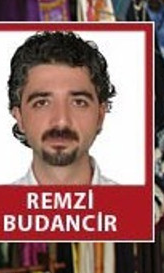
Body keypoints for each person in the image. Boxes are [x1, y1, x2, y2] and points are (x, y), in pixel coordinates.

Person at [7, 31, 116, 185]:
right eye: (42, 103)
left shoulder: (139, 208)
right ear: (19, 118)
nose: (61, 121)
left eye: (78, 102)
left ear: (100, 115)